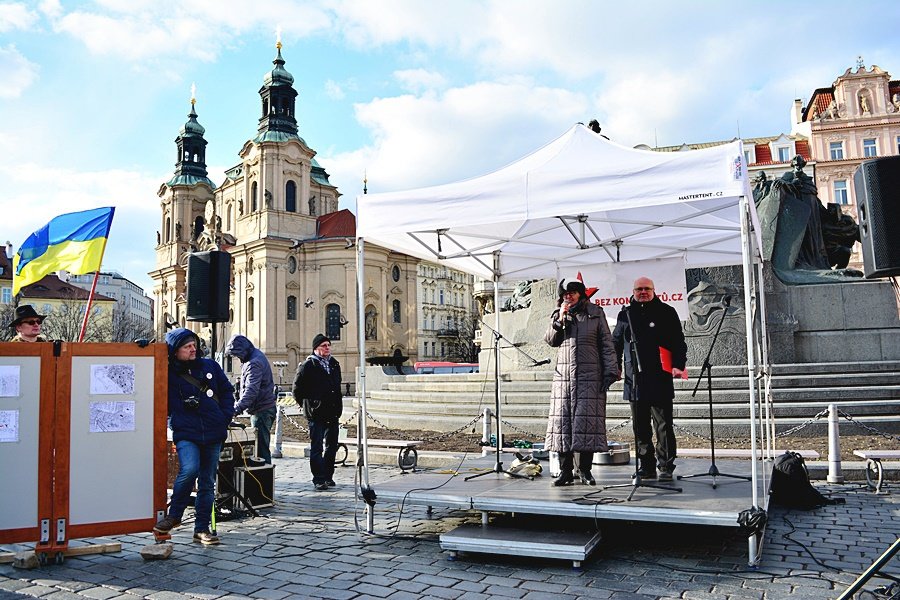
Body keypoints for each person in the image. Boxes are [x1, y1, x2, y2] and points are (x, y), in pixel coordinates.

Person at [154, 328, 235, 545]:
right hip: (186, 431)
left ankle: (202, 528)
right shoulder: (167, 372)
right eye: (187, 346)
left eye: (194, 345)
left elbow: (227, 391)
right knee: (189, 469)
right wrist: (142, 348)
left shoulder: (209, 366)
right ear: (175, 351)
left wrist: (225, 416)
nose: (193, 349)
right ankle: (175, 515)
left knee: (207, 482)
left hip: (213, 430)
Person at [612, 277, 688, 482]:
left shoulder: (666, 312)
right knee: (640, 426)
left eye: (646, 288)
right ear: (633, 291)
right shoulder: (624, 315)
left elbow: (678, 342)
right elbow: (616, 344)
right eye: (639, 289)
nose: (642, 292)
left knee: (663, 424)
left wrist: (678, 365)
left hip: (660, 377)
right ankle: (645, 466)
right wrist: (615, 367)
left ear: (654, 290)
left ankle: (665, 465)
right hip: (634, 379)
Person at [544, 280, 618, 487]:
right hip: (564, 378)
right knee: (562, 425)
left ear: (581, 294)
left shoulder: (595, 313)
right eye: (565, 294)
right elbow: (550, 340)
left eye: (573, 293)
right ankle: (565, 471)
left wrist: (611, 371)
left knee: (587, 424)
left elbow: (606, 342)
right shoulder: (558, 314)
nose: (569, 296)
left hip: (589, 376)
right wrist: (559, 320)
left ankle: (585, 470)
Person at [292, 334, 343, 491]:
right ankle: (318, 479)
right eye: (324, 346)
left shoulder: (334, 364)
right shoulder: (308, 366)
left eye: (328, 345)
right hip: (316, 414)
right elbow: (297, 389)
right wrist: (309, 405)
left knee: (331, 446)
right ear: (316, 348)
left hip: (333, 412)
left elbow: (337, 386)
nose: (327, 348)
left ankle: (328, 476)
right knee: (317, 448)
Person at [225, 334, 278, 464]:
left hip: (262, 410)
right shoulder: (254, 356)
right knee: (261, 447)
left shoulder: (253, 363)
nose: (237, 358)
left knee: (261, 449)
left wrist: (236, 409)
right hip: (263, 408)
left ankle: (264, 481)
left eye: (237, 355)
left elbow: (251, 391)